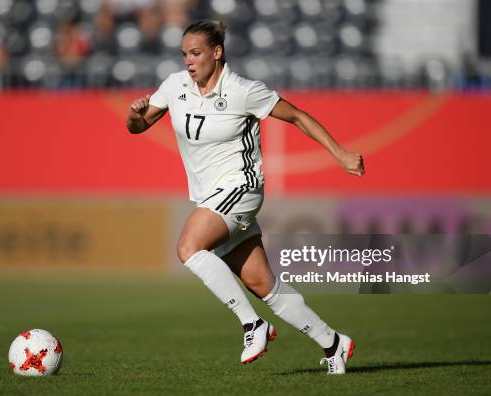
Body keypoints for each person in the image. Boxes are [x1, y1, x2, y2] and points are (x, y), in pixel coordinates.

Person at [126, 20, 364, 375]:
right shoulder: (175, 85)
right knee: (261, 283)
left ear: (217, 52)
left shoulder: (243, 90)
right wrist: (133, 114)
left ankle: (253, 326)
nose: (189, 62)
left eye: (196, 53)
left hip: (242, 188)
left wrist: (340, 153)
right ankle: (334, 344)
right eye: (184, 55)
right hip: (212, 196)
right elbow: (138, 126)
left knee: (188, 247)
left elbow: (297, 116)